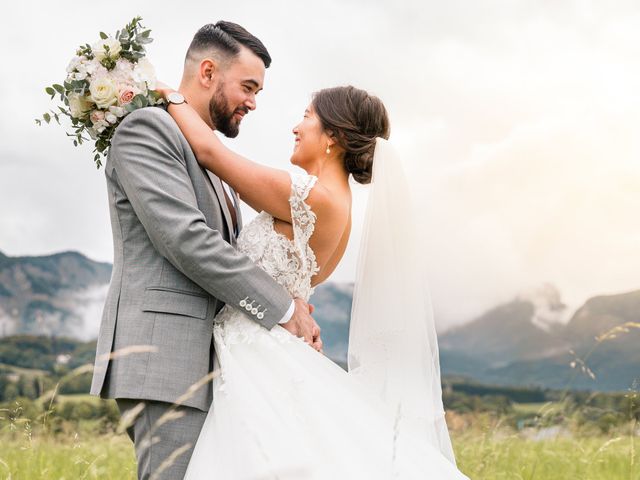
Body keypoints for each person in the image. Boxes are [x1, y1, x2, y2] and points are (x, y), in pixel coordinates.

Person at [155, 82, 469, 479]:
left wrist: (168, 93)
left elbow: (209, 152)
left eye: (307, 116)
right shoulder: (340, 206)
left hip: (254, 358)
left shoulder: (310, 197)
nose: (296, 127)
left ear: (333, 137)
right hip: (267, 347)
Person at [89, 21, 322, 480]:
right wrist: (280, 310)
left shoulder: (207, 155)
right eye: (248, 87)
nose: (254, 102)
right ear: (209, 72)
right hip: (164, 359)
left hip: (213, 362)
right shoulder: (146, 130)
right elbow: (187, 240)